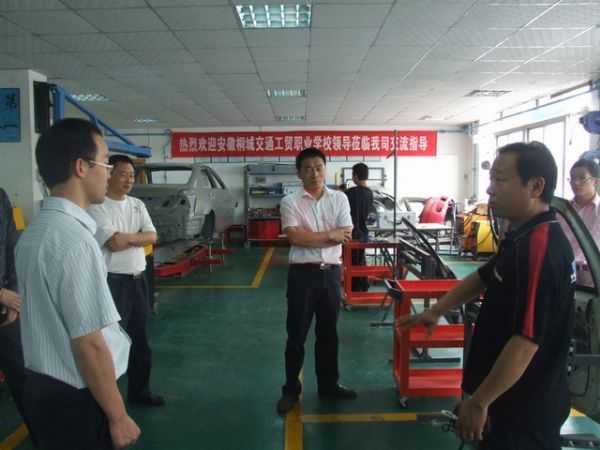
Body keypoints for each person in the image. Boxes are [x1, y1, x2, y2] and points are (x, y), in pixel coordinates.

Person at [398, 142, 575, 450]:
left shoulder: (539, 247)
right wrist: (437, 310)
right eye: (491, 178)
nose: (490, 189)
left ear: (536, 186)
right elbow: (483, 277)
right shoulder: (521, 236)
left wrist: (480, 402)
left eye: (500, 179)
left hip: (524, 407)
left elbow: (526, 341)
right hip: (505, 398)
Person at [16, 118, 140, 450]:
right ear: (81, 167)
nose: (110, 173)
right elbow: (89, 344)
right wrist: (118, 416)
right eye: (106, 162)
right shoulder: (74, 240)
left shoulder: (34, 232)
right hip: (78, 398)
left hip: (43, 388)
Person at [276, 147, 357, 416]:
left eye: (319, 167)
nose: (314, 173)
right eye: (308, 168)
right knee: (296, 334)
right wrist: (330, 235)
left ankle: (328, 385)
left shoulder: (340, 198)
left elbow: (346, 233)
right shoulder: (290, 201)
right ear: (299, 173)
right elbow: (295, 238)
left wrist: (314, 237)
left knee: (328, 333)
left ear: (325, 169)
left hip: (331, 274)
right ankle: (290, 389)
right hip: (302, 275)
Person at [88, 154, 163, 407]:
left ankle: (140, 392)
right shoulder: (97, 206)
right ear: (109, 174)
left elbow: (152, 236)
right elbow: (114, 243)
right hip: (113, 283)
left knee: (140, 341)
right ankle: (108, 401)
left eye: (132, 175)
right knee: (110, 343)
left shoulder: (137, 204)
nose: (129, 180)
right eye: (123, 174)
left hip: (138, 281)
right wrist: (136, 237)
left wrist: (128, 238)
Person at [0, 188, 37, 446]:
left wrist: (13, 294)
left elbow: (13, 246)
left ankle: (42, 439)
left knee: (24, 380)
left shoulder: (0, 196)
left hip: (6, 311)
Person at [561, 159, 600, 286]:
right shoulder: (562, 210)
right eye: (572, 178)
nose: (575, 183)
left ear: (595, 181)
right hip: (564, 271)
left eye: (582, 178)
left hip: (592, 276)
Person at [345, 163, 374, 292]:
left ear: (355, 176)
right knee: (361, 259)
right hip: (363, 232)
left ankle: (356, 289)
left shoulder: (350, 192)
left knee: (353, 262)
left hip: (352, 233)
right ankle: (363, 285)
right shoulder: (370, 193)